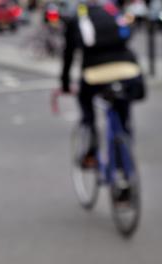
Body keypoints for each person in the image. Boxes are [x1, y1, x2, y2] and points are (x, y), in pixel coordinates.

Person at [60, 0, 144, 168]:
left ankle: (91, 150)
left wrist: (65, 83)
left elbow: (68, 55)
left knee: (85, 102)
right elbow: (127, 34)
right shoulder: (113, 12)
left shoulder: (78, 17)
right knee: (122, 112)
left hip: (94, 73)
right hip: (128, 70)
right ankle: (125, 157)